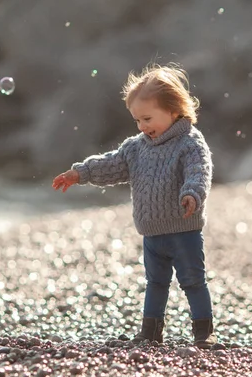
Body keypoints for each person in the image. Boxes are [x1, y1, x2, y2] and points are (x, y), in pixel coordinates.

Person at [52, 63, 217, 348]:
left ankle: (204, 332)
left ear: (174, 110)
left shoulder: (189, 142)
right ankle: (151, 331)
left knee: (192, 280)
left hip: (183, 230)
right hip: (151, 234)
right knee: (155, 283)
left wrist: (192, 193)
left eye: (148, 118)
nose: (143, 127)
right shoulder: (136, 147)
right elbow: (111, 164)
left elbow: (198, 170)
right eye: (137, 121)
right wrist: (81, 173)